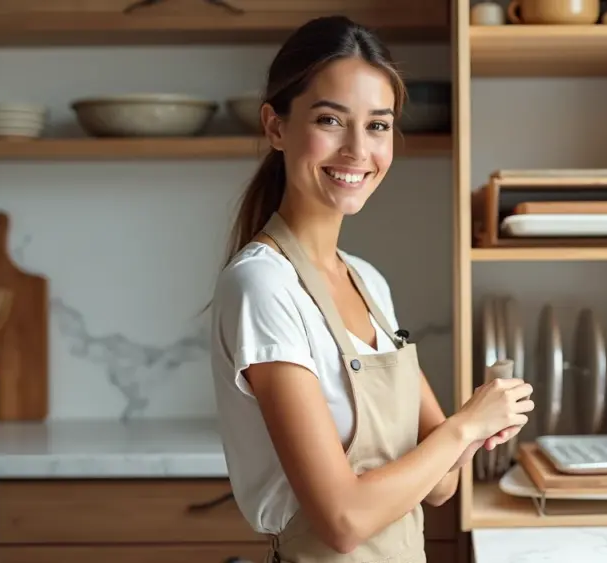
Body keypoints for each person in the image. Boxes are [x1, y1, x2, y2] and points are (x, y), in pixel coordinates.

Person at [210, 15, 534, 563]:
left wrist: (481, 424)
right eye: (331, 120)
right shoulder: (262, 285)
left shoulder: (368, 283)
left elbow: (439, 487)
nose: (359, 150)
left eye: (378, 125)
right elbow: (343, 520)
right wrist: (462, 429)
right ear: (275, 127)